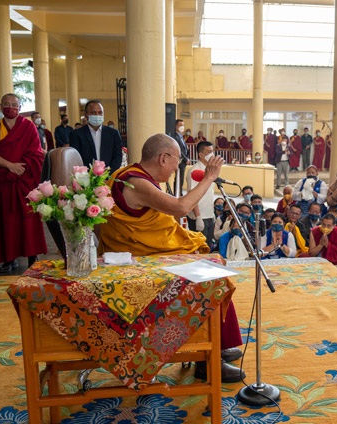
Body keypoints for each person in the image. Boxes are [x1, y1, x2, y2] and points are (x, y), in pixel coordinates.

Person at [100, 134, 246, 382]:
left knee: (211, 267)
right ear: (163, 158)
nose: (177, 168)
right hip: (141, 257)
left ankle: (216, 346)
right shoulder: (136, 183)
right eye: (176, 162)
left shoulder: (131, 173)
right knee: (210, 280)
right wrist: (209, 177)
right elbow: (180, 207)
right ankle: (206, 360)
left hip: (147, 250)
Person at [0, 93, 47, 273]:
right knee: (6, 220)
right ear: (1, 106)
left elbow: (36, 153)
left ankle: (32, 256)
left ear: (20, 108)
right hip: (4, 180)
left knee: (28, 219)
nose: (10, 107)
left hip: (25, 179)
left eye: (14, 104)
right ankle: (8, 258)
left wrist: (21, 168)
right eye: (6, 104)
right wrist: (10, 166)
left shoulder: (28, 126)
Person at [69, 100, 123, 173]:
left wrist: (108, 174)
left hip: (109, 177)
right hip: (86, 178)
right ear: (86, 115)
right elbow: (75, 159)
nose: (97, 115)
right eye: (93, 113)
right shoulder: (76, 134)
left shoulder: (113, 134)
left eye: (100, 113)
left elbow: (118, 156)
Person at [185, 141, 216, 244]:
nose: (212, 155)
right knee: (200, 249)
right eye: (209, 152)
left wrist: (212, 213)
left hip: (209, 215)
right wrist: (198, 217)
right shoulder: (195, 171)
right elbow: (192, 195)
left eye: (212, 151)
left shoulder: (210, 170)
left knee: (208, 246)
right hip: (199, 217)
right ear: (201, 155)